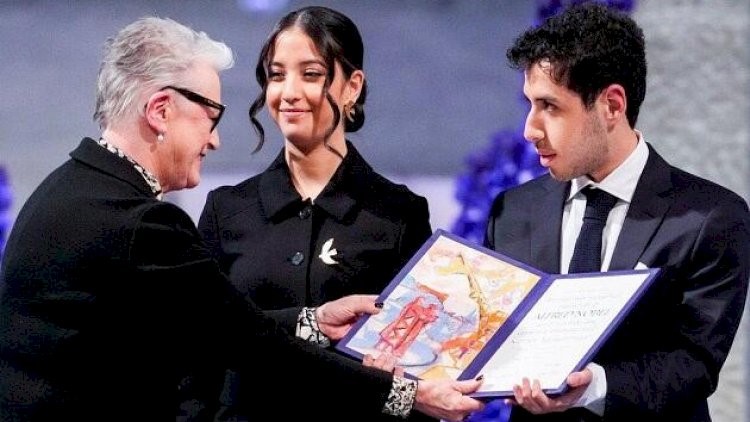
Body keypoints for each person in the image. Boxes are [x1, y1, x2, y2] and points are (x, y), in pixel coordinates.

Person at [0, 16, 485, 422]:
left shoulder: (71, 186)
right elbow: (244, 342)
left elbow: (212, 326)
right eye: (211, 118)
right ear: (161, 110)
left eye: (311, 74)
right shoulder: (140, 222)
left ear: (352, 86)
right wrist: (406, 395)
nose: (214, 140)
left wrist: (314, 321)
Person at [485, 3, 750, 421]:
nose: (530, 129)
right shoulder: (512, 210)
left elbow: (695, 362)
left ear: (611, 105)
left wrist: (596, 386)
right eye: (530, 104)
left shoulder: (710, 217)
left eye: (550, 106)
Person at [196, 6, 433, 420]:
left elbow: (419, 369)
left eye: (310, 74)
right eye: (276, 75)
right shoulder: (227, 210)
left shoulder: (398, 214)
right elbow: (197, 346)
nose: (288, 92)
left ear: (352, 86)